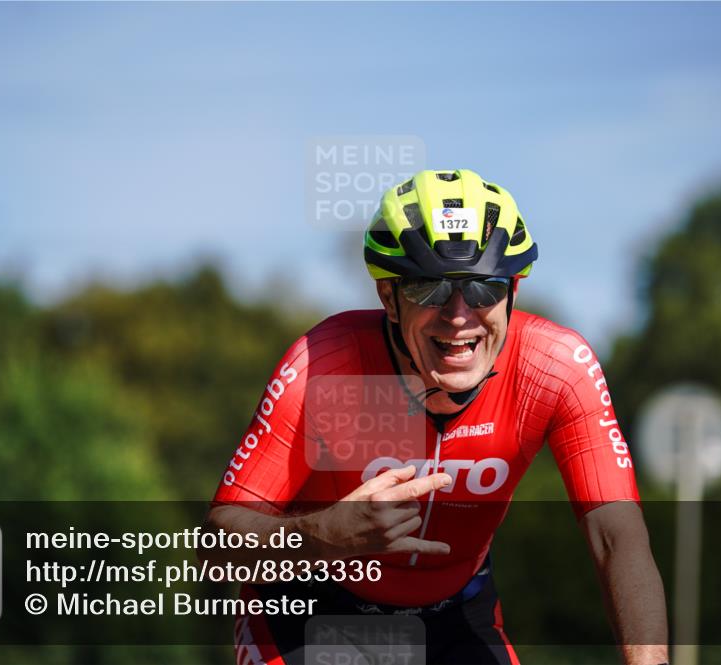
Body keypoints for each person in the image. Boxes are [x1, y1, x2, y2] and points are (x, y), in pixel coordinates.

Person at [201, 169, 669, 665]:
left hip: (454, 617)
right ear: (389, 298)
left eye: (485, 288)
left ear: (513, 290)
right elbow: (214, 546)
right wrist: (325, 535)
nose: (460, 315)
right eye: (431, 289)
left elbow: (617, 536)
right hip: (311, 611)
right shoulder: (325, 365)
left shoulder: (555, 369)